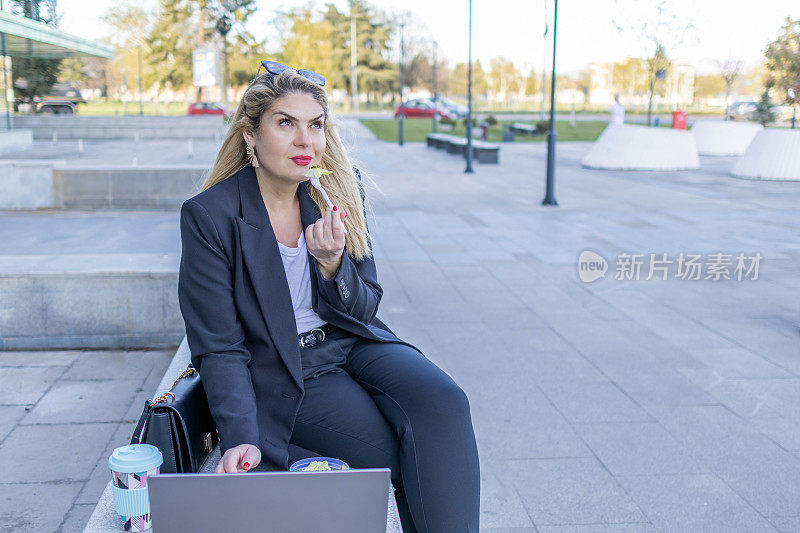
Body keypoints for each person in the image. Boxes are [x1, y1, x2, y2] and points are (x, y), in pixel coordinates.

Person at [177, 60, 480, 533]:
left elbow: (364, 308)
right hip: (287, 367)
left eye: (315, 125)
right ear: (250, 135)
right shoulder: (210, 216)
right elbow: (219, 345)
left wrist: (333, 264)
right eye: (285, 123)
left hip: (352, 341)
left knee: (445, 402)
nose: (305, 141)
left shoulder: (335, 190)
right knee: (396, 450)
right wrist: (240, 435)